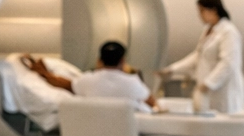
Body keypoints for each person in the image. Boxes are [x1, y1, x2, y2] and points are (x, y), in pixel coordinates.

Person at [158, 0, 244, 114]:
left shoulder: (228, 32)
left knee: (220, 123)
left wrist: (209, 83)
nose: (199, 15)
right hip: (207, 91)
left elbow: (228, 63)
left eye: (201, 11)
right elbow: (198, 56)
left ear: (213, 10)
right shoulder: (207, 30)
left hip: (223, 92)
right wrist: (173, 69)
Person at [21, 41, 155, 112]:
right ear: (123, 61)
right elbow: (152, 103)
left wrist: (44, 73)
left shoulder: (87, 81)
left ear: (99, 60)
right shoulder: (132, 82)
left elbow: (64, 84)